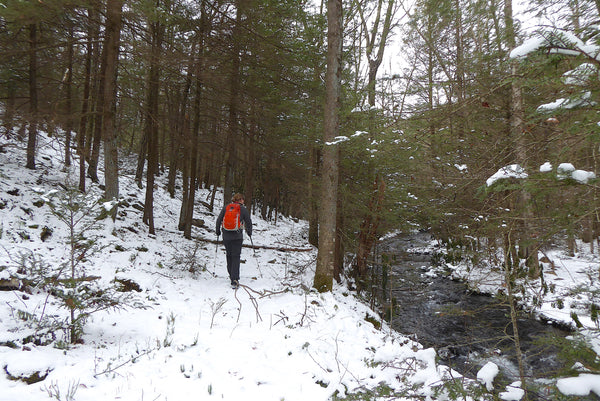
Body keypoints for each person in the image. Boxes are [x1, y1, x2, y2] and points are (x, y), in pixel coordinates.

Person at [215, 193, 252, 288]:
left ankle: (231, 274)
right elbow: (248, 221)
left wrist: (218, 231)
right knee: (236, 256)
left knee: (229, 254)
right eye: (243, 199)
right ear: (241, 200)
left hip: (226, 235)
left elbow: (219, 220)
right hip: (237, 236)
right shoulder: (242, 209)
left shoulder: (226, 207)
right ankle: (234, 279)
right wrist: (249, 232)